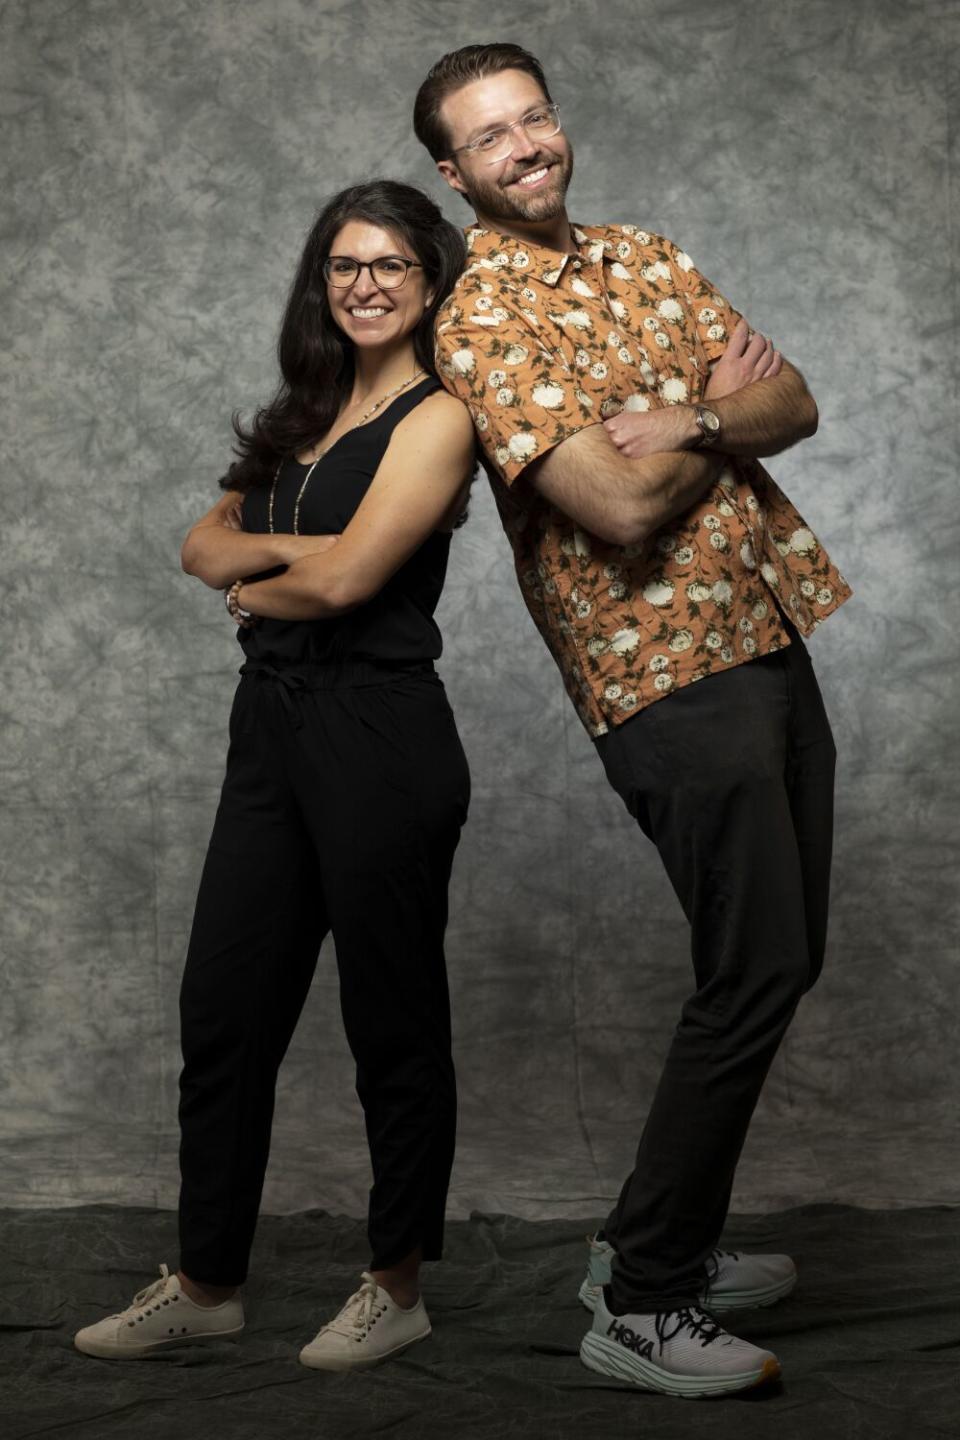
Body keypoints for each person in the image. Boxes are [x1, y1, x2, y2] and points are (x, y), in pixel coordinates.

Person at [413, 44, 851, 1399]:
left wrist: (688, 418)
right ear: (457, 172)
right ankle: (648, 1299)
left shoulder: (648, 254)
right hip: (663, 678)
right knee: (756, 967)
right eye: (493, 136)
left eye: (535, 115)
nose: (526, 145)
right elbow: (611, 505)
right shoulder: (483, 318)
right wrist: (717, 419)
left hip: (767, 625)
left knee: (784, 955)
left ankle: (659, 1244)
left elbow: (800, 399)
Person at [74, 180, 474, 1371]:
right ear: (322, 281)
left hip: (382, 735)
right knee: (225, 1010)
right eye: (345, 265)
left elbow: (352, 590)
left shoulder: (442, 415)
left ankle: (397, 1284)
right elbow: (201, 544)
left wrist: (264, 580)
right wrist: (293, 556)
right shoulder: (302, 414)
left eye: (391, 264)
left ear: (431, 281)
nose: (365, 284)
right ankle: (208, 1281)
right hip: (274, 730)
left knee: (390, 1022)